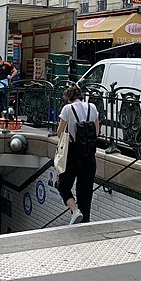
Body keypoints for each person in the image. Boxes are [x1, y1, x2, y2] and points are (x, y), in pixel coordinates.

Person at [56, 84, 99, 224]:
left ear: (68, 98)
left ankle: (75, 210)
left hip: (73, 153)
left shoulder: (67, 109)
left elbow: (60, 132)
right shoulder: (92, 107)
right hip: (90, 154)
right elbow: (96, 132)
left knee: (63, 185)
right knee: (85, 192)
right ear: (80, 95)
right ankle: (84, 222)